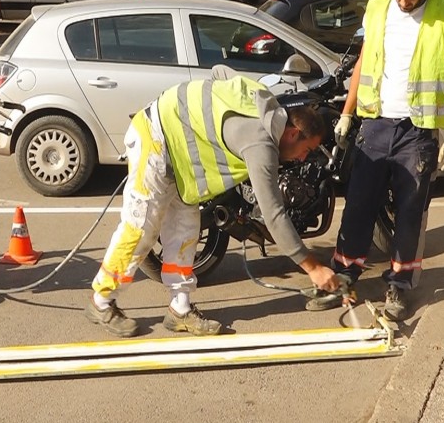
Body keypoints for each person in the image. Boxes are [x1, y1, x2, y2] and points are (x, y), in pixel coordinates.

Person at [86, 66, 340, 337]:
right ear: (292, 134)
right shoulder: (261, 144)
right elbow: (274, 215)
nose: (302, 158)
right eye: (307, 150)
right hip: (156, 137)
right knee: (141, 227)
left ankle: (179, 309)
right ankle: (101, 301)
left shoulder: (262, 99)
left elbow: (220, 72)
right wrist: (313, 268)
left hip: (181, 155)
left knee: (185, 231)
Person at [308, 0, 444, 321]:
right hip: (375, 123)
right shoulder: (378, 8)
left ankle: (400, 284)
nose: (403, 0)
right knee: (359, 204)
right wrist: (347, 113)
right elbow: (364, 61)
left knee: (410, 213)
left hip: (418, 131)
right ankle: (345, 274)